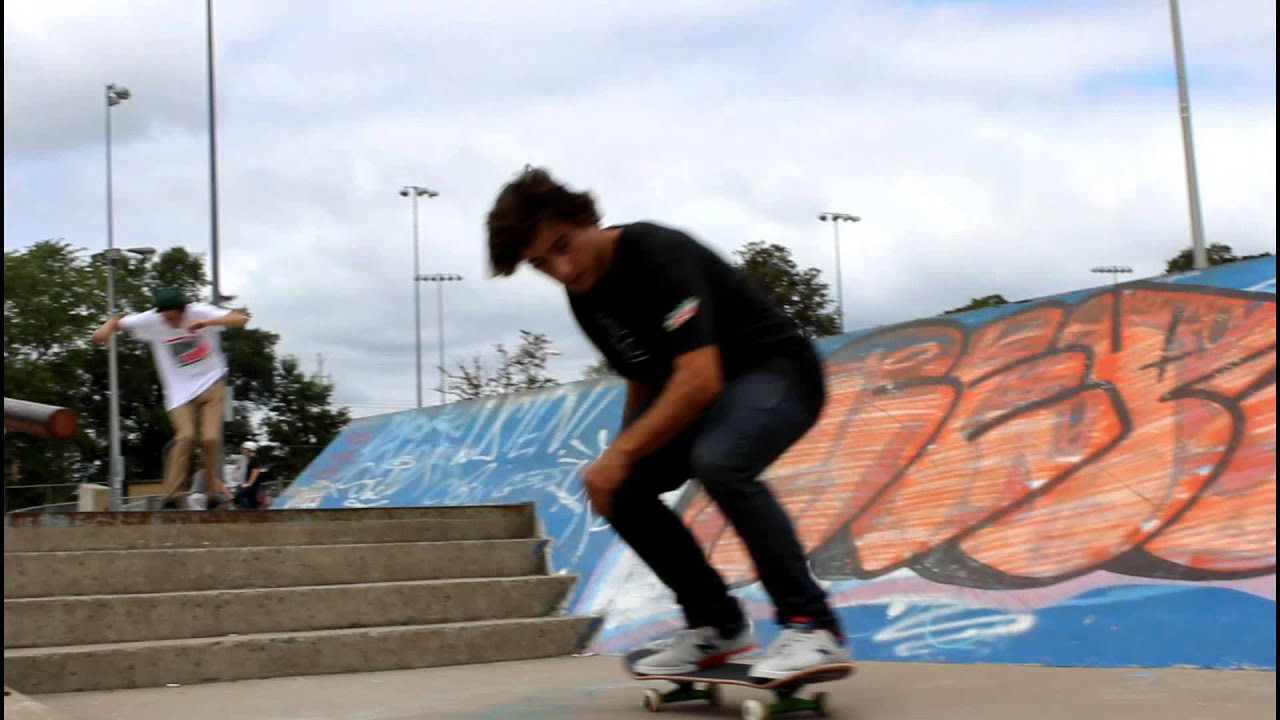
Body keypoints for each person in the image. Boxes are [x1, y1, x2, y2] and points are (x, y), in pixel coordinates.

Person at [484, 167, 849, 680]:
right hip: (708, 395)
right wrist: (623, 463)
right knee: (617, 487)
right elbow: (641, 378)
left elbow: (698, 378)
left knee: (720, 461)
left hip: (778, 374)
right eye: (541, 264)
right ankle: (717, 627)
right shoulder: (585, 294)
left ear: (586, 218)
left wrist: (624, 454)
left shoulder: (657, 253)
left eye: (563, 246)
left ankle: (812, 625)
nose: (562, 270)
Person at [92, 286, 249, 508]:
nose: (171, 324)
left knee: (210, 439)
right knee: (185, 436)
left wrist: (207, 324)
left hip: (211, 382)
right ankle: (172, 495)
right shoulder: (152, 319)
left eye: (175, 319)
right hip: (179, 391)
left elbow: (240, 318)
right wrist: (104, 329)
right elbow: (118, 320)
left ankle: (214, 494)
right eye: (166, 320)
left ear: (184, 310)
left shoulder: (200, 311)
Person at [232, 441, 266, 509]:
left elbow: (255, 472)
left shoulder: (254, 459)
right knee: (252, 502)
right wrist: (235, 473)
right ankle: (255, 512)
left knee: (238, 497)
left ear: (249, 449)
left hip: (252, 485)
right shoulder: (249, 459)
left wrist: (249, 484)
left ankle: (250, 511)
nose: (243, 450)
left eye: (244, 449)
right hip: (251, 485)